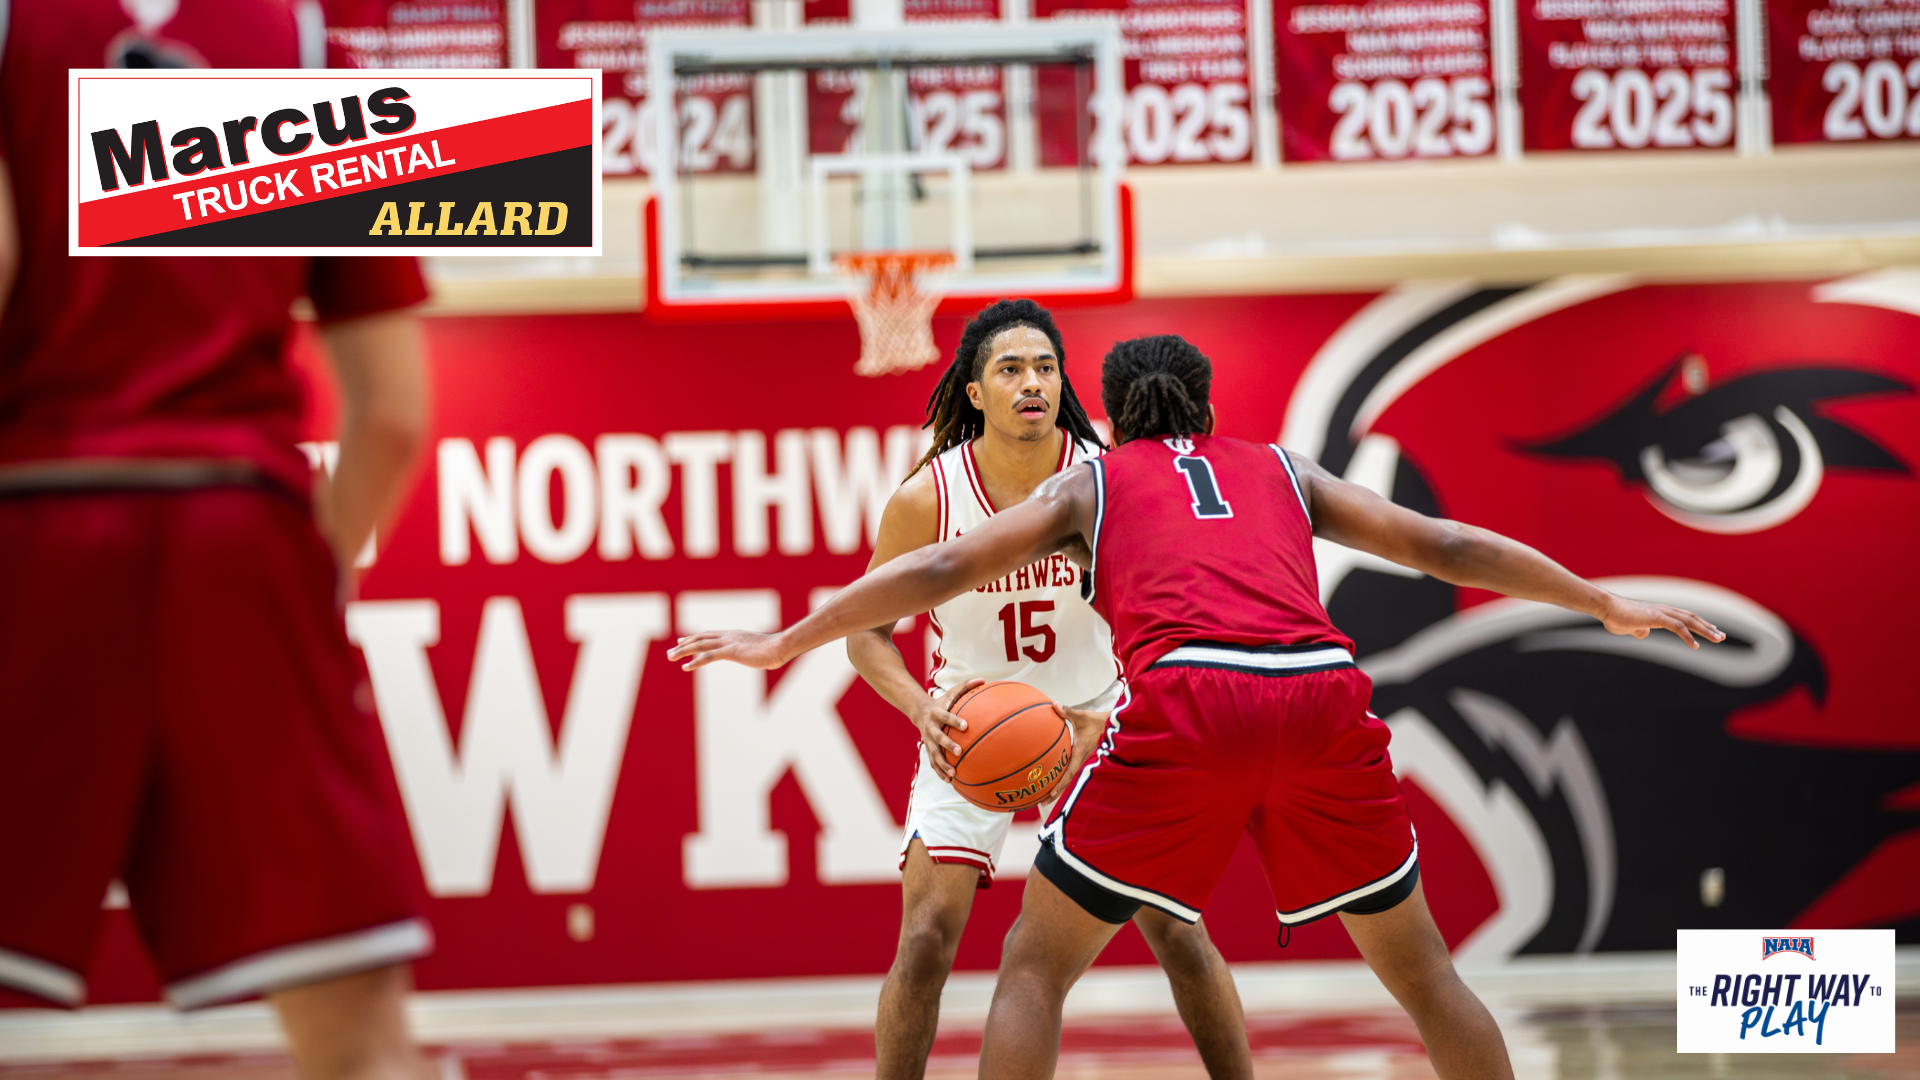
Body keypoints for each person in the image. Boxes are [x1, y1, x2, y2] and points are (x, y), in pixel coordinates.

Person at [668, 334, 1726, 1080]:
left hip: (1183, 700)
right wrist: (1601, 600)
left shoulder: (1095, 482)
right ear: (1208, 408)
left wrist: (784, 639)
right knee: (1427, 972)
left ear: (1111, 416)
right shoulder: (1280, 467)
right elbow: (1445, 547)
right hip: (1319, 694)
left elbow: (940, 565)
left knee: (1035, 967)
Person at [0, 4, 431, 1080]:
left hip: (38, 521)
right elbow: (390, 416)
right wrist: (302, 583)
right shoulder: (311, 51)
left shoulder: (12, 35)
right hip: (239, 533)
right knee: (360, 1033)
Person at [852, 302, 1252, 1080]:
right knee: (926, 937)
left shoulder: (1106, 475)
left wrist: (1114, 710)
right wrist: (918, 706)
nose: (1032, 382)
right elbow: (865, 632)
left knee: (1178, 931)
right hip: (971, 730)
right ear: (975, 393)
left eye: (1045, 368)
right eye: (1010, 369)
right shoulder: (928, 499)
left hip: (1095, 728)